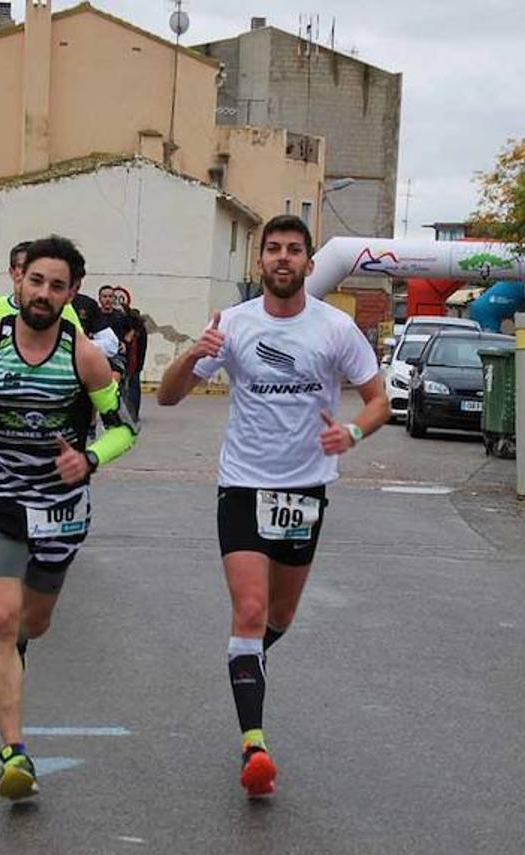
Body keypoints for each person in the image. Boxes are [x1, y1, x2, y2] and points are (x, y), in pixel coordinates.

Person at [157, 214, 389, 798]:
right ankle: (254, 746)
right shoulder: (232, 325)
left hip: (305, 491)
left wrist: (353, 434)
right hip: (242, 485)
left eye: (294, 251)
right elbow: (168, 395)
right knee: (251, 609)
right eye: (273, 250)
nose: (283, 259)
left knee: (278, 619)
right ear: (259, 262)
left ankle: (244, 663)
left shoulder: (335, 329)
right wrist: (193, 354)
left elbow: (377, 399)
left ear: (309, 264)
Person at [0, 235, 138, 801]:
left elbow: (125, 430)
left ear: (72, 293)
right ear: (18, 282)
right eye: (35, 281)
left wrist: (87, 459)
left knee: (32, 625)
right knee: (0, 617)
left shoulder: (83, 355)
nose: (43, 293)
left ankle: (16, 658)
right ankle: (14, 752)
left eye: (57, 285)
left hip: (59, 511)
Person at [0, 243, 83, 333]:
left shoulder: (62, 308)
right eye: (22, 266)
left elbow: (80, 345)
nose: (26, 271)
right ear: (12, 272)